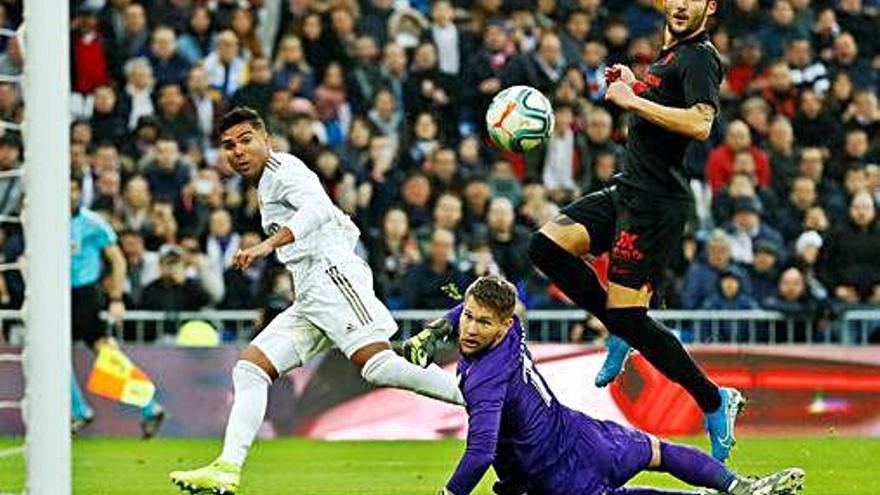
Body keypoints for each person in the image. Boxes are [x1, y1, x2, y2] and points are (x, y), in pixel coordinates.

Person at [169, 107, 463, 495]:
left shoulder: (283, 170)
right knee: (251, 370)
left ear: (266, 141)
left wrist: (268, 244)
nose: (237, 151)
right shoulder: (264, 185)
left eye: (245, 140)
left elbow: (320, 209)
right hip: (310, 294)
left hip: (334, 276)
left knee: (378, 367)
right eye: (228, 146)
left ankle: (483, 396)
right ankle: (227, 468)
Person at [524, 0, 743, 462]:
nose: (682, 4)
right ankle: (621, 327)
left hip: (655, 204)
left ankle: (712, 398)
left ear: (711, 6)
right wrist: (634, 83)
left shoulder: (700, 56)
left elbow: (701, 123)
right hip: (627, 189)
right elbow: (661, 106)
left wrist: (633, 100)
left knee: (629, 318)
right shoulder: (668, 56)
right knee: (544, 245)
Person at [425, 276, 804, 495]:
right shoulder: (513, 331)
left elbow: (479, 454)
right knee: (658, 452)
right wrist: (440, 326)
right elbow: (473, 306)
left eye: (483, 322)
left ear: (505, 325)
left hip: (556, 475)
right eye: (468, 318)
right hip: (582, 433)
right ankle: (738, 487)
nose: (471, 328)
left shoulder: (485, 380)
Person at [69, 178, 165, 437]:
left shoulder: (92, 223)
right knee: (99, 353)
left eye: (75, 189)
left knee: (98, 353)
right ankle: (149, 406)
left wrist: (116, 298)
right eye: (66, 189)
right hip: (57, 295)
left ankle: (80, 411)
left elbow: (117, 260)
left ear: (80, 193)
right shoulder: (47, 220)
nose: (71, 194)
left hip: (84, 294)